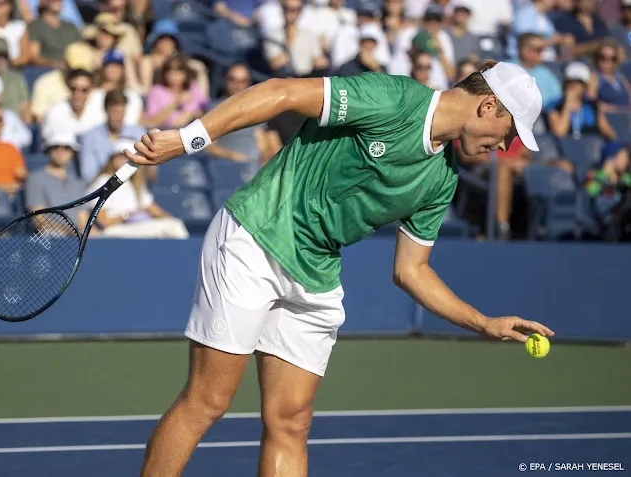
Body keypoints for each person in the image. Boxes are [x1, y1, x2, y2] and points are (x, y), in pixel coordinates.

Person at [125, 60, 556, 477]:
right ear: (488, 107)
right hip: (256, 235)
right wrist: (188, 139)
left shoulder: (442, 179)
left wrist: (483, 322)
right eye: (510, 133)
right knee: (209, 400)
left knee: (291, 421)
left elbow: (412, 270)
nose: (505, 147)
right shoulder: (396, 99)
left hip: (316, 269)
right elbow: (282, 92)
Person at [86, 139, 189, 238]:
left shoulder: (134, 183)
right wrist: (126, 216)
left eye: (126, 157)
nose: (123, 161)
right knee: (174, 227)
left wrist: (169, 218)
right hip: (114, 231)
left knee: (175, 224)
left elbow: (154, 209)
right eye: (119, 156)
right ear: (112, 159)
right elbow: (103, 221)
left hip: (135, 227)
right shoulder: (103, 181)